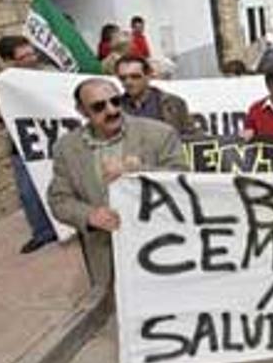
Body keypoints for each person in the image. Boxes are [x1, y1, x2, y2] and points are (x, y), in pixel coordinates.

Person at [47, 78, 187, 286]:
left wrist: (139, 173)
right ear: (82, 111)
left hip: (160, 250)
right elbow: (59, 199)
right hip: (106, 259)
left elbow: (183, 181)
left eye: (116, 101)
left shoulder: (159, 133)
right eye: (98, 106)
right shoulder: (66, 148)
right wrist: (89, 216)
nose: (111, 110)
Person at [0, 36, 57, 253]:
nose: (32, 59)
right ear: (8, 61)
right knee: (28, 191)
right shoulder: (2, 84)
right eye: (24, 57)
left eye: (32, 53)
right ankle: (43, 233)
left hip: (54, 138)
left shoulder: (50, 73)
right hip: (23, 142)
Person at [115, 55, 196, 135]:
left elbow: (191, 136)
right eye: (123, 78)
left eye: (135, 77)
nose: (128, 82)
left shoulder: (174, 103)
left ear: (148, 75)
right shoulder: (113, 107)